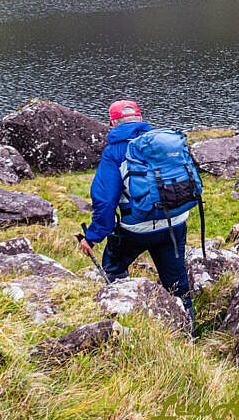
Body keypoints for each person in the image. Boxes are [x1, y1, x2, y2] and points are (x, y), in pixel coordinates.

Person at [78, 100, 195, 332]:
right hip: (175, 222)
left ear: (112, 123)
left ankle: (123, 313)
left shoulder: (114, 152)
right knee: (178, 286)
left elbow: (105, 201)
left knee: (113, 267)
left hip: (135, 229)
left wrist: (91, 238)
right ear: (140, 119)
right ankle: (187, 335)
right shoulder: (161, 142)